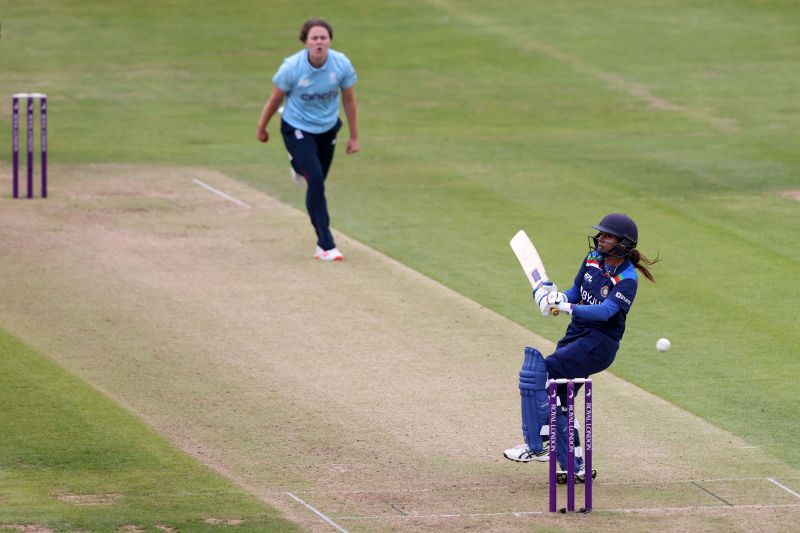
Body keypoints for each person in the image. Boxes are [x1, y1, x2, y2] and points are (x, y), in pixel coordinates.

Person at [503, 213, 659, 481]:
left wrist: (567, 307)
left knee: (540, 375)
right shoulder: (592, 260)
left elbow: (606, 312)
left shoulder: (627, 279)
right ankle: (574, 465)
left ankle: (537, 446)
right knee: (560, 397)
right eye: (601, 234)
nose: (600, 238)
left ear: (623, 243)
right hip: (577, 333)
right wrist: (558, 297)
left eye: (607, 236)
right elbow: (577, 289)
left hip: (599, 343)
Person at [256, 18, 359, 261]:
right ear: (306, 42)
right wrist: (262, 127)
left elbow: (349, 100)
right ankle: (325, 244)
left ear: (330, 40)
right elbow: (275, 100)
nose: (319, 42)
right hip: (297, 127)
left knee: (317, 177)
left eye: (323, 37)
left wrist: (354, 136)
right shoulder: (292, 68)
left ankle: (298, 167)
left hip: (327, 128)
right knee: (316, 182)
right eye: (314, 38)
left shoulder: (341, 63)